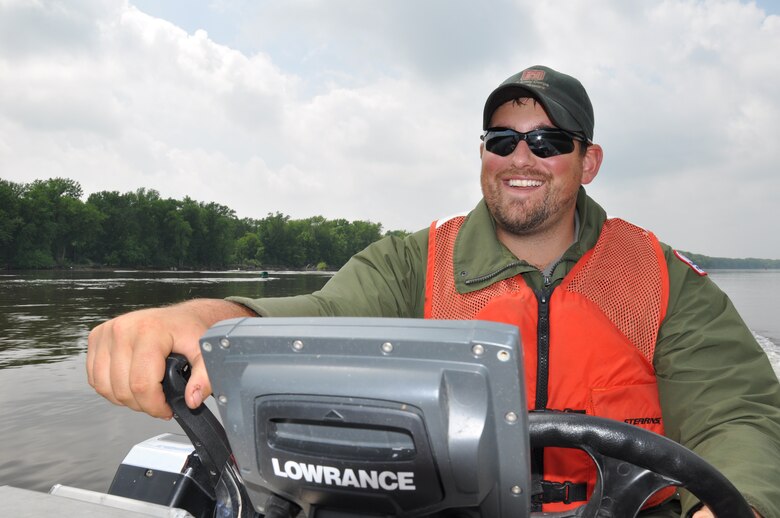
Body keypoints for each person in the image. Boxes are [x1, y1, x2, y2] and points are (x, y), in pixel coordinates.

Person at [87, 65, 780, 517]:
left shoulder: (662, 279)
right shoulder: (411, 263)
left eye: (548, 141)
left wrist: (732, 503)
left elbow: (738, 415)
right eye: (501, 140)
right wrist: (196, 320)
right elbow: (321, 315)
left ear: (587, 160)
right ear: (483, 155)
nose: (520, 158)